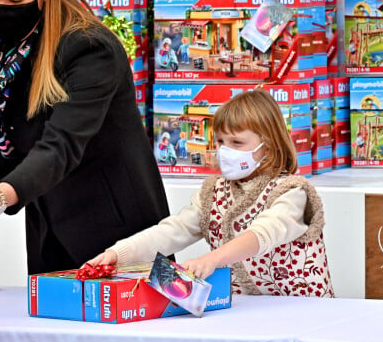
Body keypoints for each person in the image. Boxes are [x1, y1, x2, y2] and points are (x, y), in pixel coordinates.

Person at [0, 0, 170, 275]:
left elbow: (62, 144)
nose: (2, 12)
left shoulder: (89, 48)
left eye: (16, 1)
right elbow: (5, 131)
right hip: (49, 230)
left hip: (115, 231)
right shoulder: (7, 51)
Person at [87, 89, 334, 297]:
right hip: (247, 314)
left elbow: (263, 234)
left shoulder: (292, 192)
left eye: (237, 143)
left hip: (300, 310)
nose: (225, 151)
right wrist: (117, 253)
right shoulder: (213, 192)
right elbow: (173, 231)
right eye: (220, 142)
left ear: (268, 146)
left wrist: (212, 259)